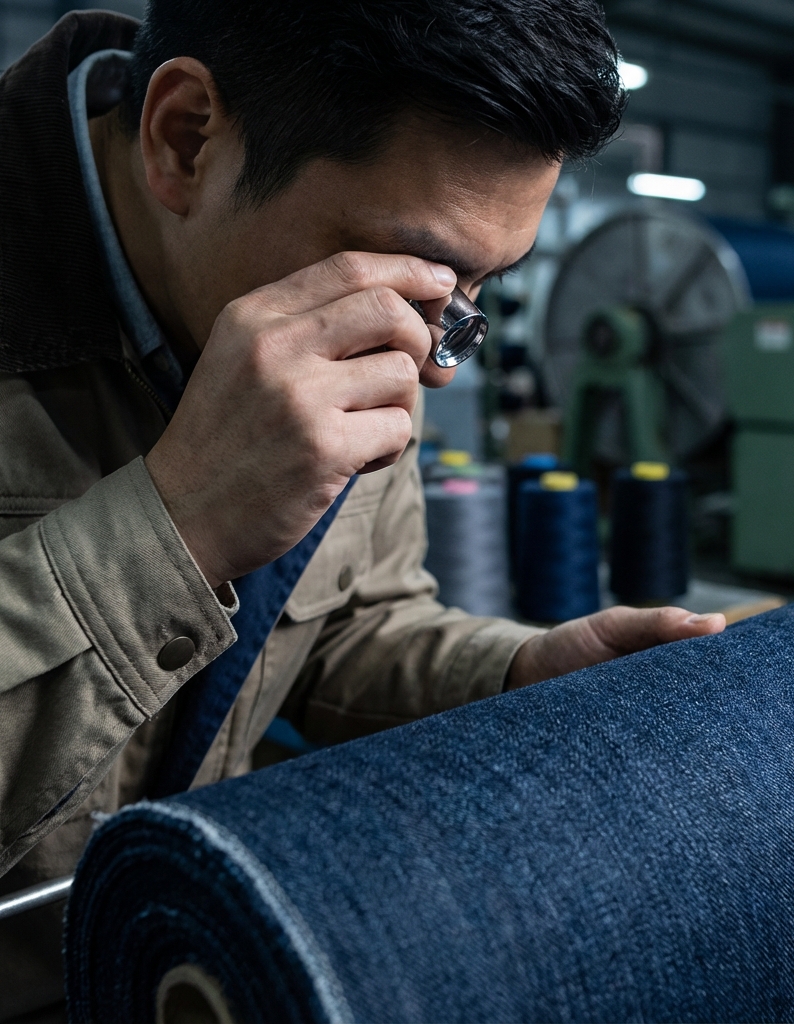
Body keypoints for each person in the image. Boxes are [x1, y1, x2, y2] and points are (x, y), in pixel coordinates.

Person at [0, 2, 724, 1015]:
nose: (431, 356)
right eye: (406, 268)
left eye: (472, 290)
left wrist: (513, 674)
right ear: (185, 137)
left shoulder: (387, 320)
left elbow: (343, 626)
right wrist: (177, 526)